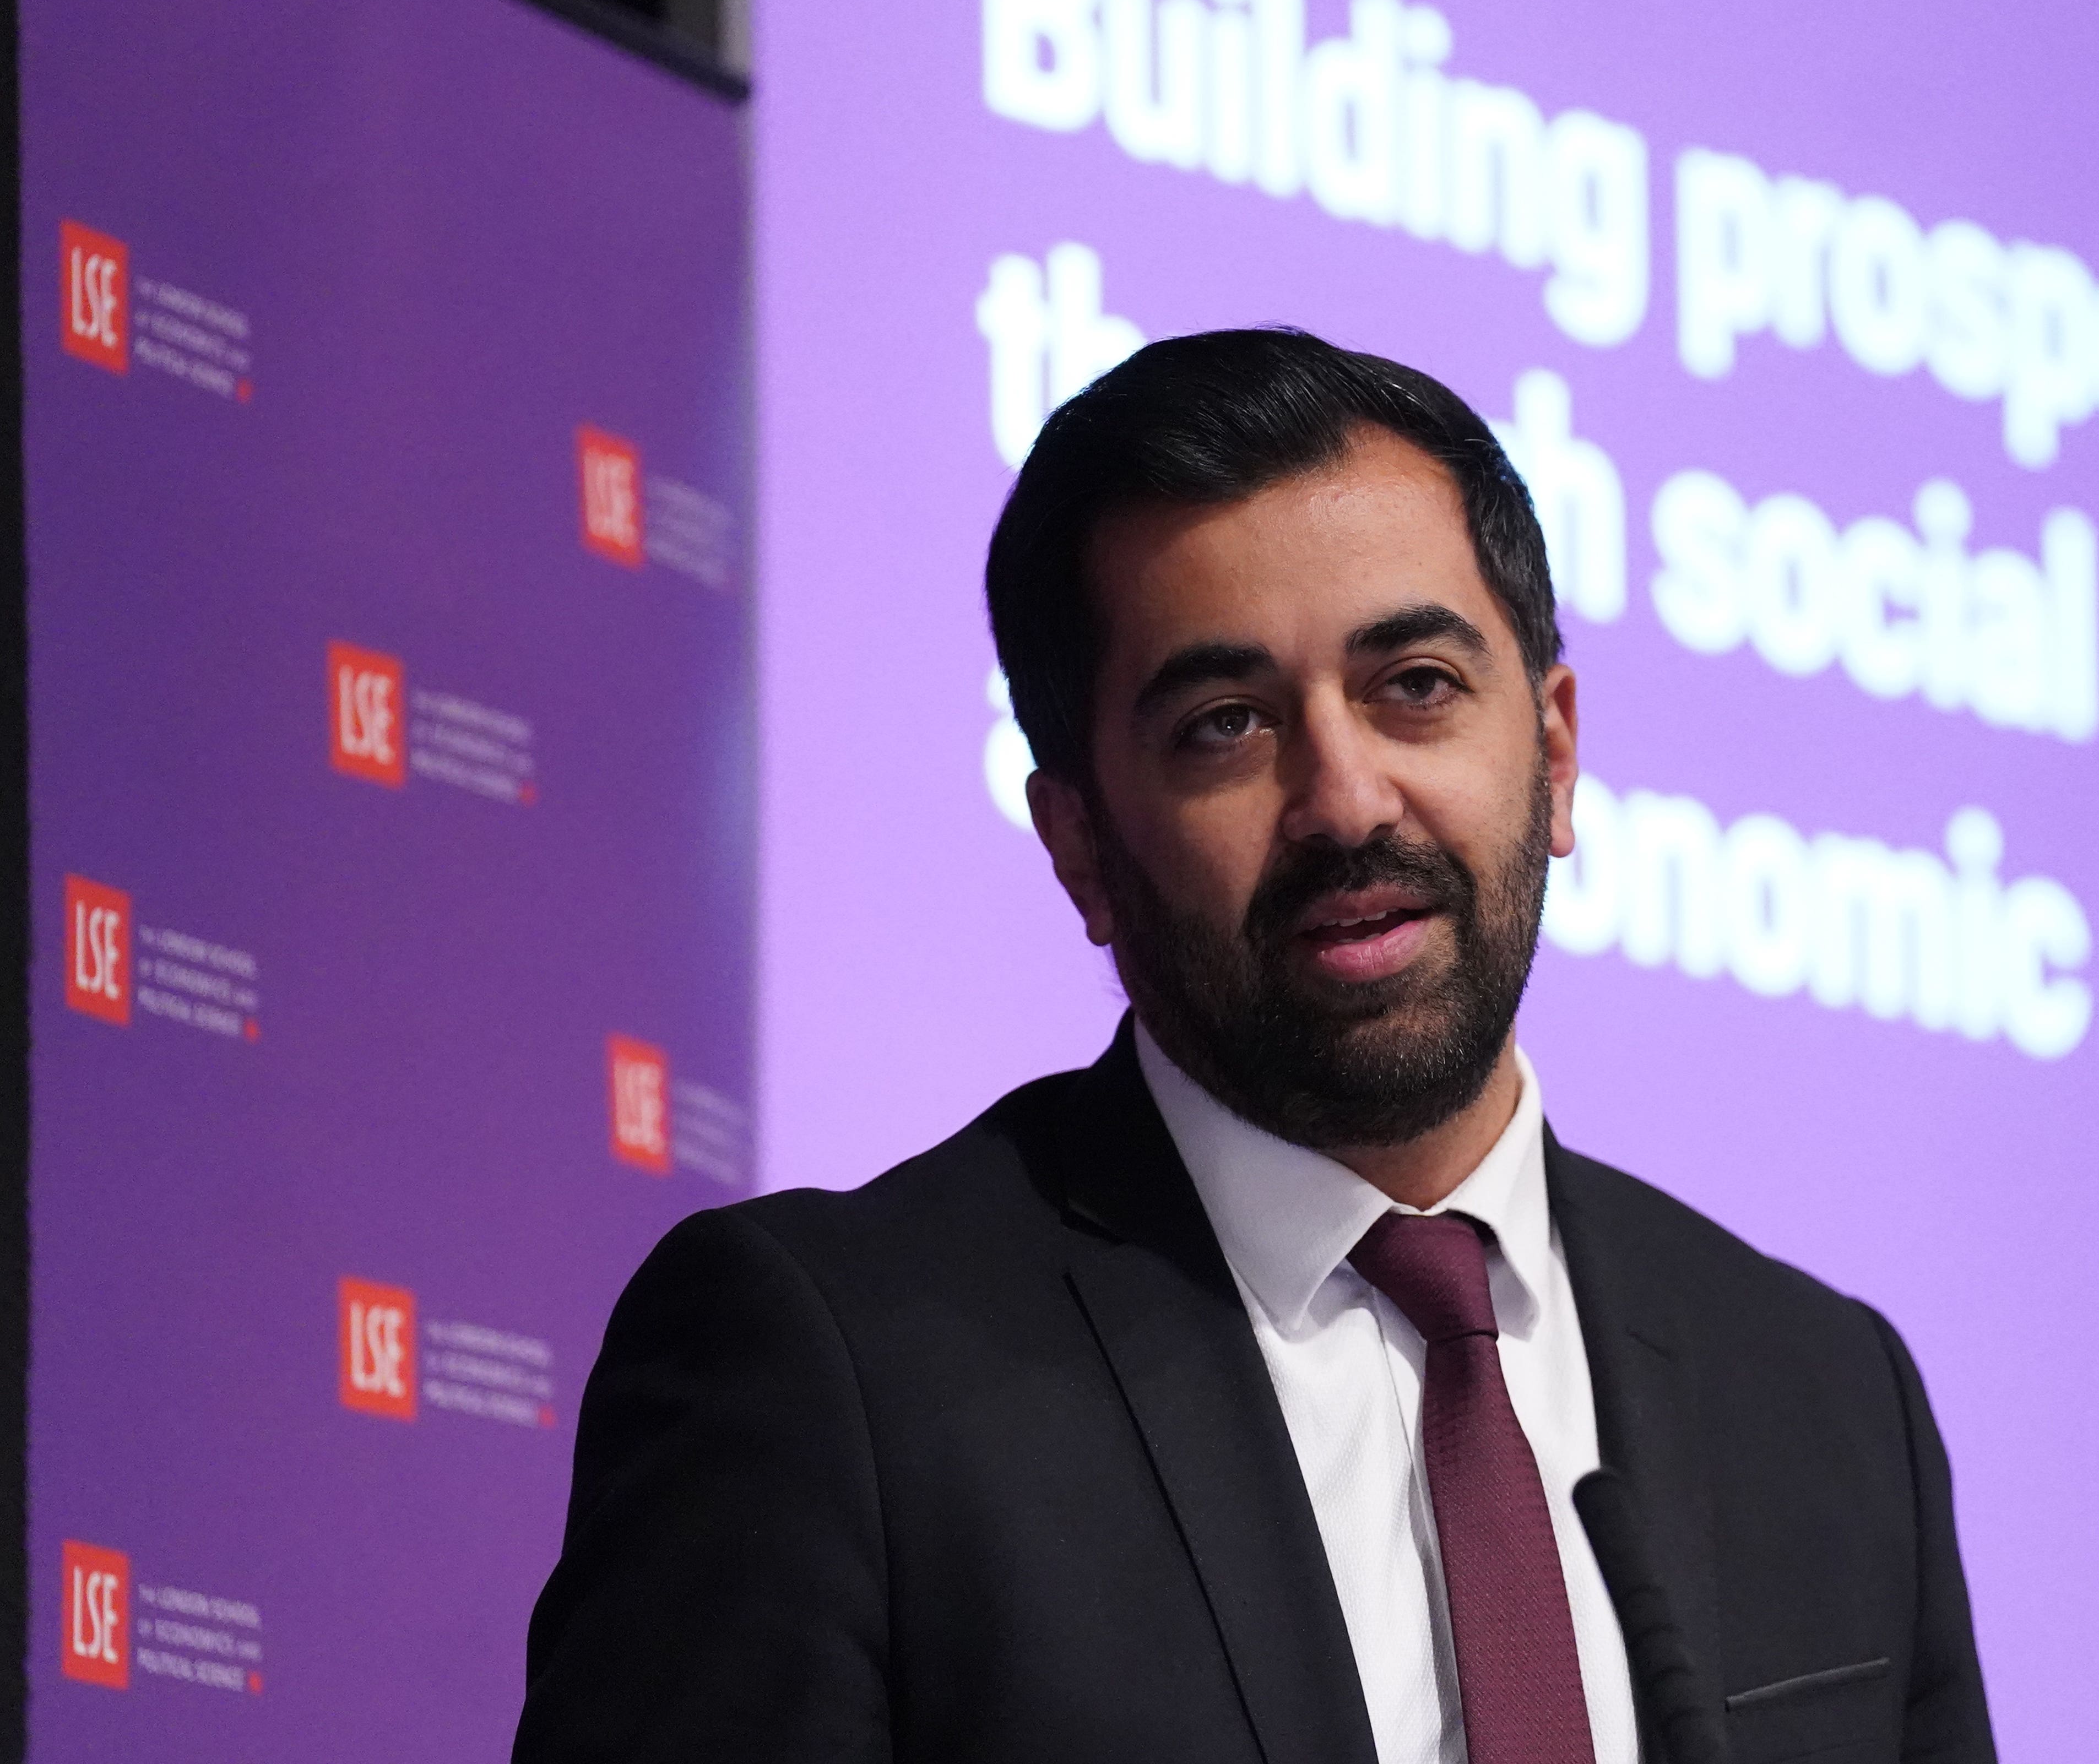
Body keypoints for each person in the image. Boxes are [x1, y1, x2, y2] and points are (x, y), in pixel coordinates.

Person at [513, 328, 1995, 1764]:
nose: (1347, 799)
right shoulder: (836, 1378)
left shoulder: (1821, 1398)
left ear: (1552, 751)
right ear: (1082, 843)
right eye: (1227, 724)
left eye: (1415, 685)